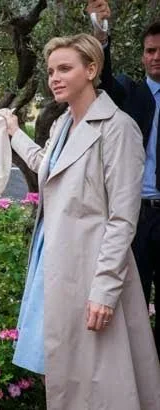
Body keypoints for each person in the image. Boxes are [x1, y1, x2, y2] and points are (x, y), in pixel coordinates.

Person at [2, 34, 160, 409]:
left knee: (103, 378)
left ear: (91, 70)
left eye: (65, 68)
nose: (55, 77)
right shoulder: (61, 127)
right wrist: (15, 135)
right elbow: (48, 168)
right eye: (51, 70)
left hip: (93, 269)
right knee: (62, 365)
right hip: (54, 262)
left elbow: (123, 219)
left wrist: (105, 290)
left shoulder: (118, 129)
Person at [87, 0, 160, 357]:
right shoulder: (130, 94)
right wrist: (99, 31)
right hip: (137, 216)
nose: (156, 57)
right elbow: (100, 77)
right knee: (133, 301)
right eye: (151, 50)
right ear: (143, 55)